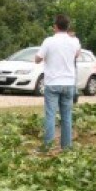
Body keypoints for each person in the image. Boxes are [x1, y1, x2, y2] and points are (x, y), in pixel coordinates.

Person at [35, 14, 81, 152]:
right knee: (66, 116)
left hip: (53, 82)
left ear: (55, 26)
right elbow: (77, 54)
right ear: (68, 27)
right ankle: (66, 147)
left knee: (50, 115)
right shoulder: (74, 41)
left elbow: (38, 59)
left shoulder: (49, 41)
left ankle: (48, 146)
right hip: (68, 83)